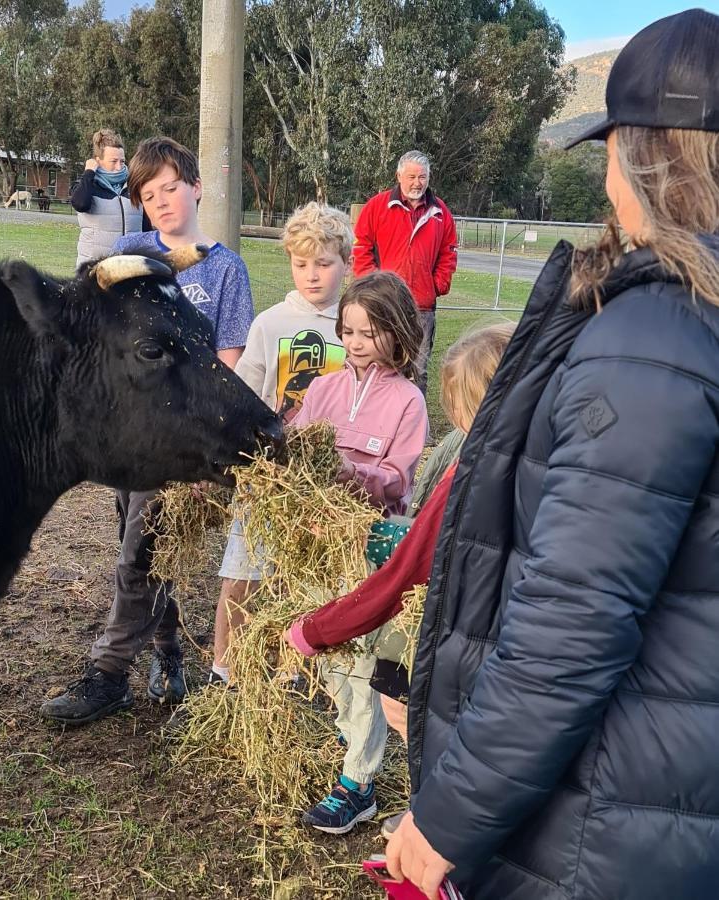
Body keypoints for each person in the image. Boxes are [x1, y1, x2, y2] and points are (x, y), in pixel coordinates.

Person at [386, 10, 719, 899]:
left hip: (608, 827)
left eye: (611, 149)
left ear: (642, 158)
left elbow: (571, 623)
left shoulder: (654, 342)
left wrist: (450, 812)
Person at [41, 136, 254, 724]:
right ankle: (168, 654)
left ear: (196, 188)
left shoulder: (224, 266)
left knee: (140, 553)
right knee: (140, 546)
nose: (161, 200)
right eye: (147, 193)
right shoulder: (130, 251)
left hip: (181, 442)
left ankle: (108, 674)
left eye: (170, 188)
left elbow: (230, 360)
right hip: (126, 436)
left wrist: (200, 446)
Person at [284, 322, 515, 838]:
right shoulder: (537, 463)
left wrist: (313, 631)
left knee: (413, 710)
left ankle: (434, 819)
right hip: (497, 627)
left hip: (448, 624)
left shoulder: (466, 472)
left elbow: (404, 571)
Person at [289, 271, 429, 834]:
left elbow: (397, 478)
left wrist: (351, 472)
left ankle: (358, 783)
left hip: (369, 550)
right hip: (313, 546)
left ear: (396, 333)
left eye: (367, 333)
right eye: (347, 331)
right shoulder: (322, 388)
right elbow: (294, 446)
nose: (354, 343)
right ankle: (355, 751)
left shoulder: (408, 401)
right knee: (335, 665)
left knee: (364, 661)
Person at [209, 202, 352, 687]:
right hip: (269, 478)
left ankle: (291, 673)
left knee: (306, 579)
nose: (312, 275)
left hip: (329, 479)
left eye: (324, 263)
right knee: (244, 574)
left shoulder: (354, 325)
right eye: (301, 263)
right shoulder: (270, 324)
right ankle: (224, 670)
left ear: (346, 263)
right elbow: (242, 394)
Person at [353, 151, 458, 396]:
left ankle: (414, 426)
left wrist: (438, 284)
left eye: (422, 177)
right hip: (384, 304)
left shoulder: (440, 212)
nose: (417, 183)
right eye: (411, 176)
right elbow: (360, 246)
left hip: (422, 307)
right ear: (399, 175)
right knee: (378, 363)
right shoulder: (377, 207)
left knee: (418, 369)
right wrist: (372, 285)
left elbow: (449, 250)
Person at [70, 128, 143, 269]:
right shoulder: (88, 185)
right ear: (98, 161)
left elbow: (145, 227)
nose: (119, 167)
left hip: (130, 269)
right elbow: (80, 204)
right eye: (113, 161)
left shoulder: (134, 186)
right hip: (95, 270)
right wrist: (89, 172)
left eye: (122, 161)